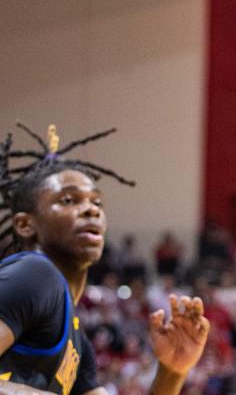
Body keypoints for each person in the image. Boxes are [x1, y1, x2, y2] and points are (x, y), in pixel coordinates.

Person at [0, 124, 209, 394]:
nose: (90, 209)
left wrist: (172, 371)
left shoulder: (78, 343)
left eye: (97, 203)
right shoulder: (33, 275)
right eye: (68, 200)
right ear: (26, 224)